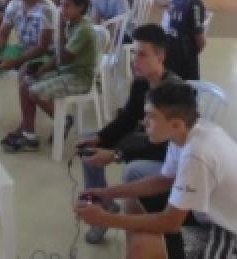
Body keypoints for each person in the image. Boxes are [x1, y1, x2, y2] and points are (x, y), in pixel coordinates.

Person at [77, 83, 237, 259]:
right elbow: (165, 179)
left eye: (151, 116)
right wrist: (107, 193)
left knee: (142, 247)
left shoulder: (196, 154)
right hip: (215, 214)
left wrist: (106, 219)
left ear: (176, 124)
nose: (144, 122)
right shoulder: (185, 132)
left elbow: (171, 223)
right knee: (132, 202)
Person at [77, 25, 183, 245]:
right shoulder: (142, 82)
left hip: (170, 156)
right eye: (133, 53)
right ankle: (103, 205)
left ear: (160, 56)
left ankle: (127, 224)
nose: (135, 60)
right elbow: (128, 118)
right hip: (149, 140)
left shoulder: (173, 93)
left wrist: (117, 154)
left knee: (133, 169)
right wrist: (100, 138)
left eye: (142, 54)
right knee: (90, 149)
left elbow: (163, 145)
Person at [2, 0, 97, 153]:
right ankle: (29, 135)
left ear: (80, 7)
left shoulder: (83, 29)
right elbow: (59, 58)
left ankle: (63, 120)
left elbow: (65, 57)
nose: (62, 10)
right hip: (65, 72)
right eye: (61, 5)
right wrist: (44, 69)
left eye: (67, 6)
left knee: (34, 91)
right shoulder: (72, 24)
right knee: (26, 83)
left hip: (79, 78)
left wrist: (59, 29)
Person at [164, 0, 207, 80]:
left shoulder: (194, 4)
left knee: (184, 89)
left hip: (186, 61)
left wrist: (189, 55)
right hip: (171, 54)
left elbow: (201, 41)